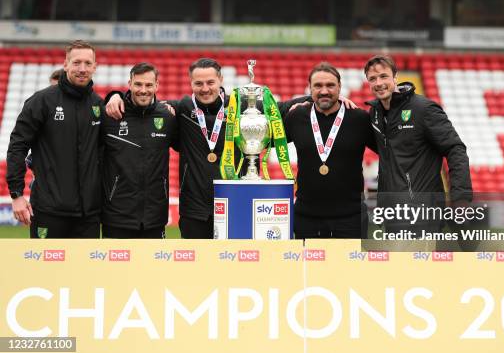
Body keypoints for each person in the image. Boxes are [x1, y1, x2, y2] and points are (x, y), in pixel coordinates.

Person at [106, 58, 310, 239]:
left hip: (234, 203)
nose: (205, 88)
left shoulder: (240, 107)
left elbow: (281, 107)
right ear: (190, 83)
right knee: (196, 272)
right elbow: (145, 102)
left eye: (210, 82)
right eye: (199, 83)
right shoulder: (182, 109)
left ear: (220, 80)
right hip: (195, 211)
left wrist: (316, 99)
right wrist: (114, 96)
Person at [6, 40, 103, 238]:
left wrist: (118, 96)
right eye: (76, 63)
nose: (82, 69)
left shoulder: (100, 105)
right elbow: (17, 146)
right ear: (65, 64)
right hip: (48, 212)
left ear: (95, 67)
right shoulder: (42, 101)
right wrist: (16, 194)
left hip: (88, 216)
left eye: (87, 63)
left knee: (85, 270)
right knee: (45, 269)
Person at [364, 55, 472, 232]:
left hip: (423, 211)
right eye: (372, 79)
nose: (378, 83)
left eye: (383, 76)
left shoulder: (424, 109)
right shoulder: (374, 114)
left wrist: (460, 198)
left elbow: (455, 149)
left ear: (395, 77)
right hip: (393, 212)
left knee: (421, 259)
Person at [283, 62, 377, 239]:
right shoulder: (296, 117)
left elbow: (387, 151)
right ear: (309, 89)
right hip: (306, 218)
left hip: (351, 218)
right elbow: (268, 141)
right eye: (318, 86)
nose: (324, 91)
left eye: (330, 85)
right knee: (309, 267)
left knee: (350, 266)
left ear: (340, 87)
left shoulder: (359, 119)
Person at [101, 63, 178, 239]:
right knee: (115, 267)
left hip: (155, 217)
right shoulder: (111, 115)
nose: (143, 90)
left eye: (149, 85)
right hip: (116, 217)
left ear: (157, 86)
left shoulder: (167, 116)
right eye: (138, 84)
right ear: (129, 84)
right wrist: (113, 95)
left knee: (153, 267)